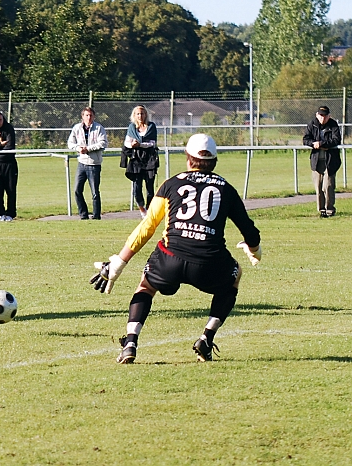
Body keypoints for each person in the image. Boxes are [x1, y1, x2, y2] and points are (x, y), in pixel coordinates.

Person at [90, 134, 262, 364]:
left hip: (170, 259)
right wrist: (254, 250)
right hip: (209, 262)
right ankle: (206, 337)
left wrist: (120, 262)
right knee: (235, 275)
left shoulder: (170, 184)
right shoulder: (226, 189)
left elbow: (147, 227)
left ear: (188, 159)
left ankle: (131, 341)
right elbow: (249, 231)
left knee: (146, 285)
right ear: (215, 161)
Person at [67, 107, 107, 220]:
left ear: (94, 116)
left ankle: (96, 216)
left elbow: (103, 143)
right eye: (86, 115)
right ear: (82, 116)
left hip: (94, 164)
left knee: (95, 192)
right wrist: (78, 148)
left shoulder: (99, 128)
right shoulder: (77, 128)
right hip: (81, 163)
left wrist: (88, 149)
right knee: (77, 190)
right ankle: (83, 215)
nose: (88, 117)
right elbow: (70, 143)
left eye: (90, 115)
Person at [302, 105, 341, 217]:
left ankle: (330, 210)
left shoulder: (333, 125)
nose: (323, 118)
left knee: (328, 186)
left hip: (330, 161)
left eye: (325, 115)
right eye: (321, 115)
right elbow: (305, 139)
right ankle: (321, 210)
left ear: (329, 116)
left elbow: (336, 140)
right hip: (316, 161)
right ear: (317, 115)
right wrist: (313, 144)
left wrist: (322, 144)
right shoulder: (312, 124)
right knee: (318, 187)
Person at [121, 106, 159, 219]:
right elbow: (127, 143)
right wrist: (132, 145)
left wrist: (140, 145)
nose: (140, 116)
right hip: (136, 160)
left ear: (145, 114)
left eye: (142, 113)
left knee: (149, 188)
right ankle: (142, 210)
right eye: (138, 114)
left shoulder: (151, 126)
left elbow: (152, 143)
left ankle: (150, 211)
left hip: (149, 160)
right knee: (137, 188)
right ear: (134, 115)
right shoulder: (131, 128)